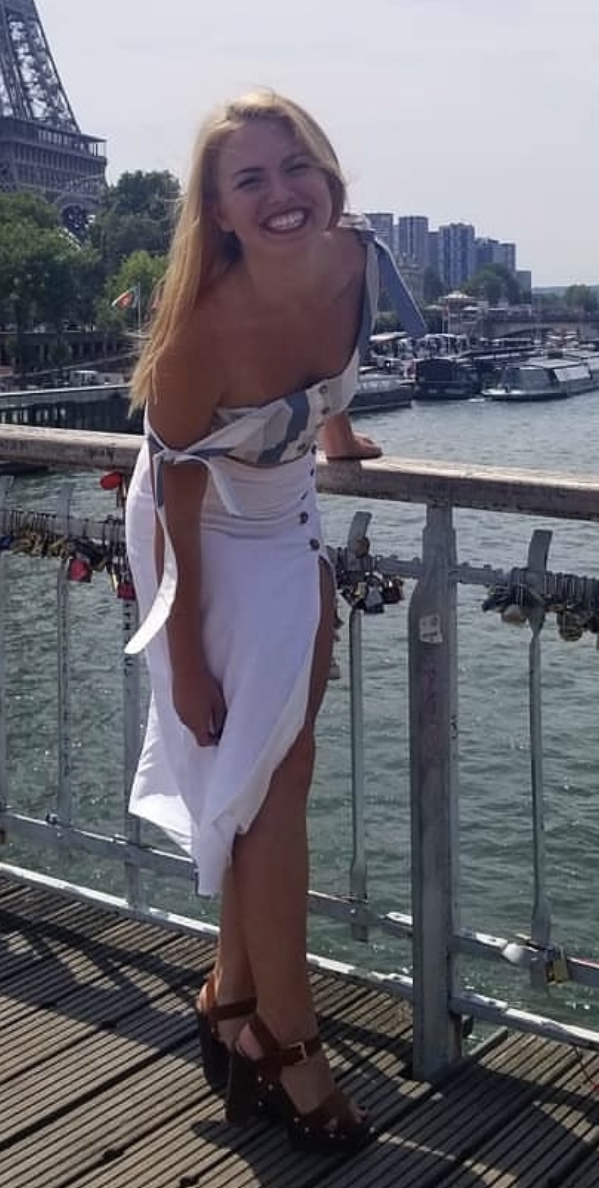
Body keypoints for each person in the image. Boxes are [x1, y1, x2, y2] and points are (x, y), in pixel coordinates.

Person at [122, 89, 426, 1154]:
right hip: (199, 540)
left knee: (279, 774)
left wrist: (335, 435)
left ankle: (233, 1002)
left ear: (329, 173)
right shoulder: (198, 336)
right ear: (217, 212)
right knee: (266, 786)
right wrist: (183, 656)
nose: (282, 193)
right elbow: (175, 500)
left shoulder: (356, 259)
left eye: (295, 166)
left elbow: (335, 366)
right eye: (248, 180)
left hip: (290, 516)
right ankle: (289, 1045)